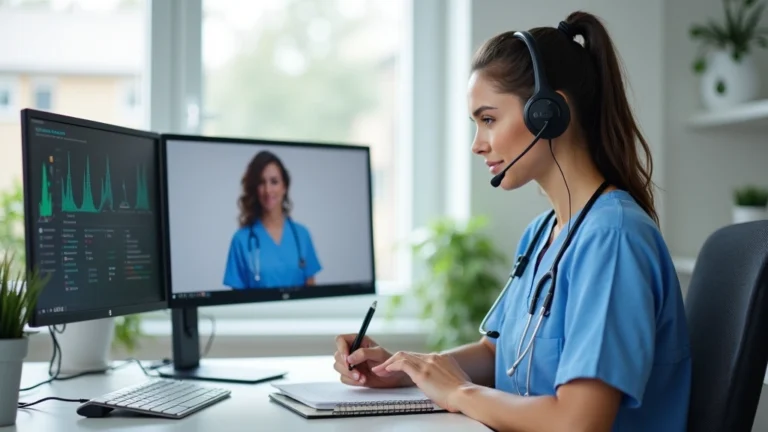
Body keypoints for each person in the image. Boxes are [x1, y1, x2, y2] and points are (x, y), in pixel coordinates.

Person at [332, 11, 691, 432]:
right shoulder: (542, 233)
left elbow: (580, 421)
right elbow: (496, 353)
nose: (477, 145)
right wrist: (407, 370)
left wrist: (460, 394)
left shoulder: (612, 239)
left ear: (549, 113)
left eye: (488, 119)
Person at [223, 150, 321, 289]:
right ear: (255, 189)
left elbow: (312, 293)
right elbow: (236, 302)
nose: (268, 190)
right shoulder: (241, 240)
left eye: (274, 182)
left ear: (284, 187)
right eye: (261, 183)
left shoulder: (302, 235)